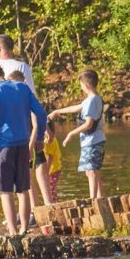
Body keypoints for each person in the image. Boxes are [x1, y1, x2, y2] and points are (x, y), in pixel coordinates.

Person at [0, 64, 48, 235]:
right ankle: (24, 229)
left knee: (5, 191)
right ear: (2, 73)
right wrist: (39, 138)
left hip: (3, 145)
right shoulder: (22, 87)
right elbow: (41, 114)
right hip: (23, 145)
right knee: (23, 189)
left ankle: (13, 231)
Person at [52, 69, 105, 199]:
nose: (81, 87)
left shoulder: (92, 101)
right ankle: (100, 198)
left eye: (81, 85)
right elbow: (75, 108)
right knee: (94, 171)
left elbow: (89, 124)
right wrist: (57, 111)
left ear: (85, 85)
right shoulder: (94, 99)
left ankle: (93, 200)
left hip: (92, 141)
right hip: (96, 140)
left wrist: (71, 133)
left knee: (91, 172)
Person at [9, 69, 53, 208]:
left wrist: (36, 140)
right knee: (30, 172)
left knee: (34, 170)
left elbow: (36, 121)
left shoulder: (26, 97)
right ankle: (37, 207)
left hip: (30, 142)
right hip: (23, 141)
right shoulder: (21, 98)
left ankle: (45, 204)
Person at [42, 119, 62, 202]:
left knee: (50, 187)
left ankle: (53, 202)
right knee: (51, 187)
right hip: (56, 167)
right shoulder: (53, 139)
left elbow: (50, 157)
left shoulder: (49, 141)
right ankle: (55, 201)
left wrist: (45, 172)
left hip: (53, 169)